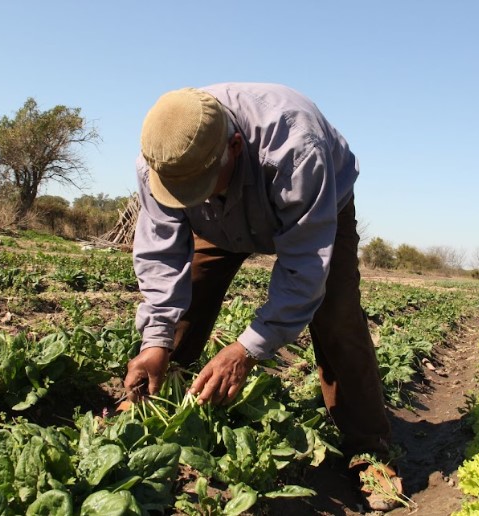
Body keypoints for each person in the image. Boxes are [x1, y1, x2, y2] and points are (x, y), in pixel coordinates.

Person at [124, 83, 403, 511]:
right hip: (218, 220)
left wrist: (247, 349)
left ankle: (369, 449)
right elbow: (161, 256)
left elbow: (304, 268)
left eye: (200, 185)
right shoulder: (161, 157)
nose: (193, 195)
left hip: (313, 206)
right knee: (190, 293)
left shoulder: (296, 148)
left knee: (336, 313)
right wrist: (154, 341)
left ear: (235, 147)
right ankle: (154, 399)